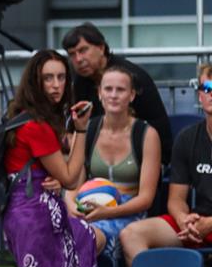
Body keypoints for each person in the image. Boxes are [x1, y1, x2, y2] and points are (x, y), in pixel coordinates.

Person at [0, 50, 96, 267]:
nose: (56, 85)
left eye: (61, 77)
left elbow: (62, 176)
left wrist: (54, 175)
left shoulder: (19, 118)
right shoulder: (36, 126)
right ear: (35, 82)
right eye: (48, 78)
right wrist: (82, 130)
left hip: (23, 214)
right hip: (36, 218)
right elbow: (71, 178)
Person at [64, 65, 161, 267]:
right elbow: (73, 183)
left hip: (128, 212)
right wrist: (71, 205)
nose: (114, 95)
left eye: (121, 90)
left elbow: (146, 199)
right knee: (69, 233)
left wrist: (107, 212)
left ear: (131, 95)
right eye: (108, 89)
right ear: (99, 94)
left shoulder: (146, 134)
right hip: (89, 208)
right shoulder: (87, 129)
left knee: (89, 236)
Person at [121, 64, 212, 265]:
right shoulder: (187, 138)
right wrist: (183, 219)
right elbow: (176, 199)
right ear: (200, 95)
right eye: (207, 88)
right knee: (132, 234)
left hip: (208, 224)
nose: (211, 93)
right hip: (197, 223)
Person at [63, 23, 172, 165]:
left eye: (83, 50)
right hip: (98, 155)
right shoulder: (79, 81)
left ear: (101, 48)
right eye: (72, 54)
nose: (78, 59)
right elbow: (73, 128)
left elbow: (157, 135)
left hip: (145, 158)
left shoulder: (130, 77)